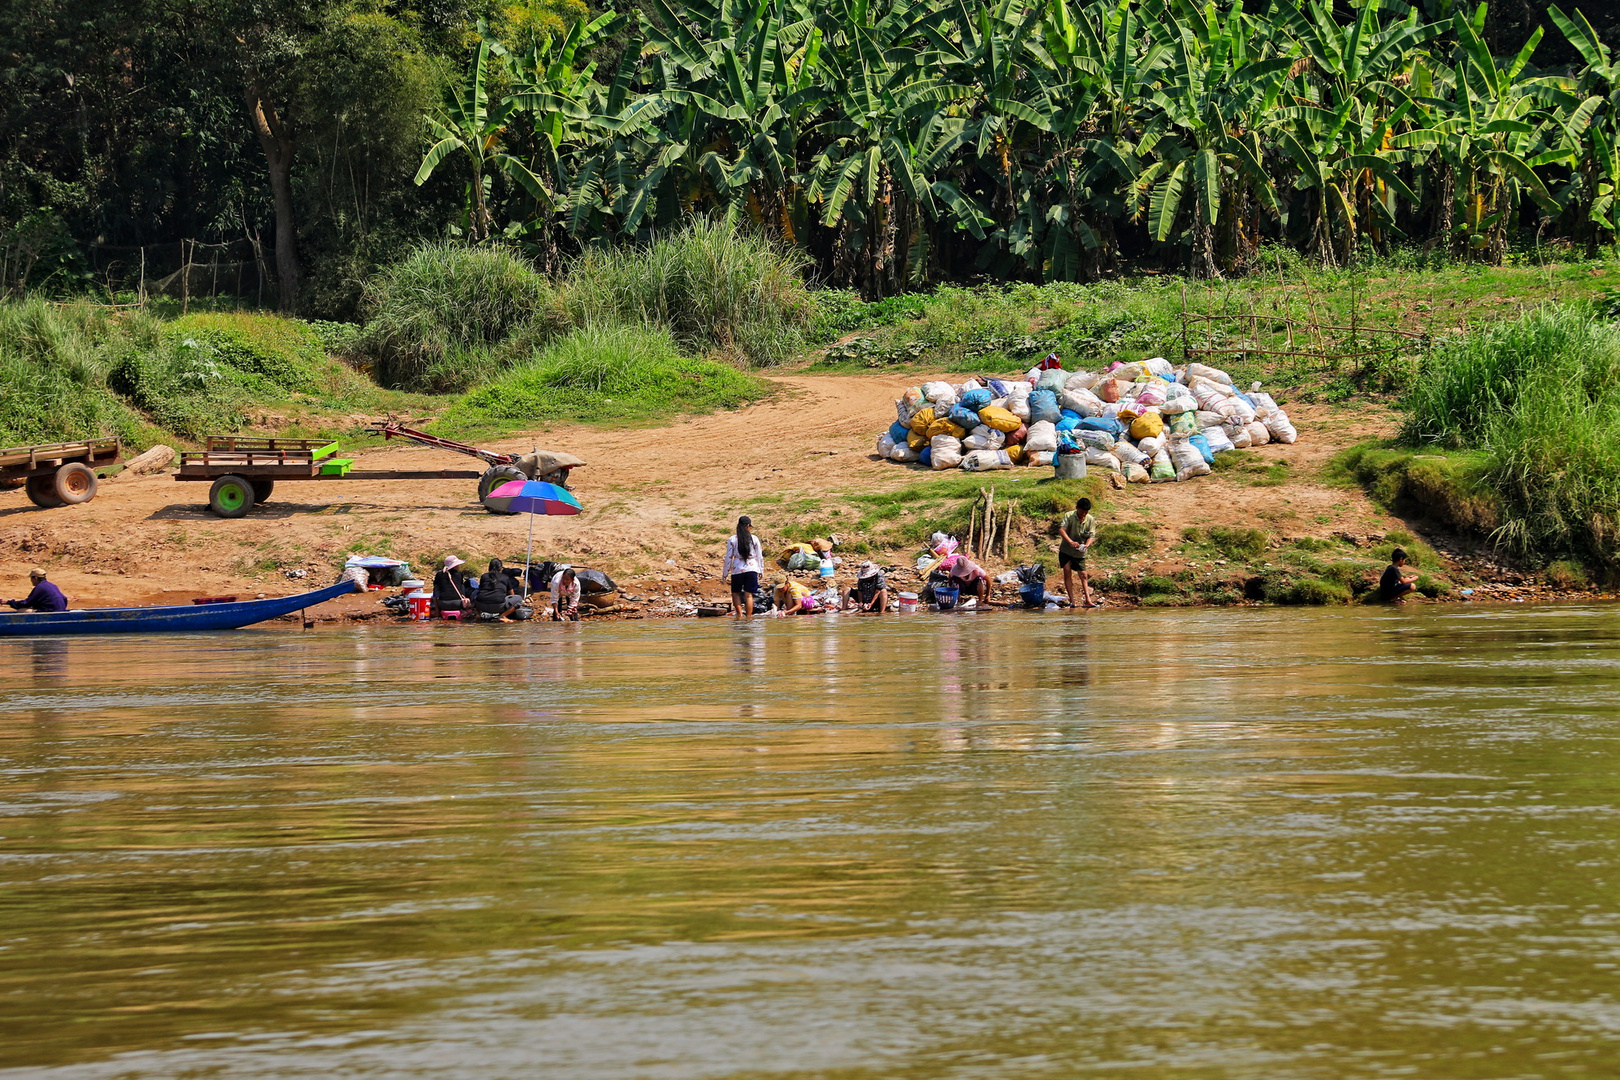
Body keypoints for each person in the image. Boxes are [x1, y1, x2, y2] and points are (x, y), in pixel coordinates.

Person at [1058, 497, 1099, 608]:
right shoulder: (1069, 516)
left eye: (1086, 513)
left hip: (1080, 552)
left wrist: (1087, 545)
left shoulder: (1090, 519)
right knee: (1067, 572)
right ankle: (1072, 602)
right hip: (1066, 550)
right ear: (1077, 508)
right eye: (1081, 512)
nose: (1083, 515)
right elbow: (1062, 530)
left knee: (1083, 575)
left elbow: (1092, 536)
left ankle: (1088, 600)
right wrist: (1071, 542)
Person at [723, 514, 765, 618]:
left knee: (735, 593)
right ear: (748, 526)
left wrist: (725, 573)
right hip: (752, 568)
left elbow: (728, 557)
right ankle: (749, 617)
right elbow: (759, 556)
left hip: (737, 569)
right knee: (749, 595)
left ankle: (740, 615)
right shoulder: (754, 538)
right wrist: (761, 570)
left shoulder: (732, 539)